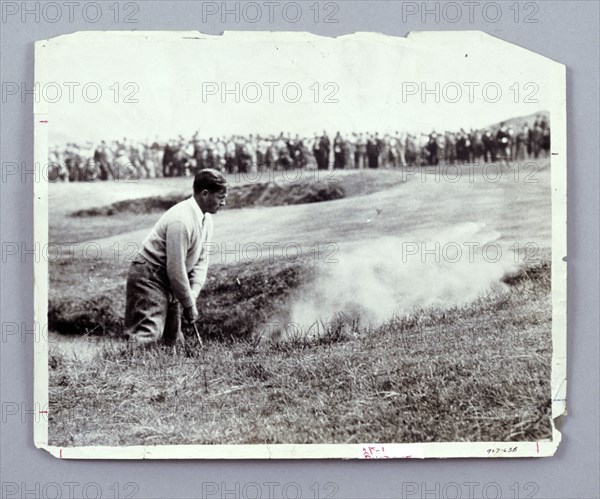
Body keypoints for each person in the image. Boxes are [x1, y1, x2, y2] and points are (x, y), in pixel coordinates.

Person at [124, 169, 228, 346]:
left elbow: (201, 261)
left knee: (173, 342)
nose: (224, 203)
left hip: (168, 281)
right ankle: (128, 371)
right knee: (148, 336)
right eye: (220, 197)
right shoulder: (181, 220)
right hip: (149, 276)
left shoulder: (206, 219)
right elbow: (176, 268)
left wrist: (192, 295)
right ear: (204, 194)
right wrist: (188, 305)